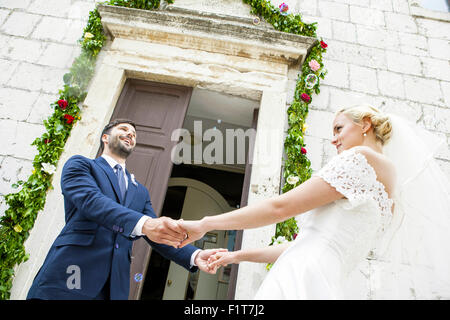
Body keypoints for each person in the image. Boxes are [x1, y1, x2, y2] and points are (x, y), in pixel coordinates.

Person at [179, 105, 450, 299]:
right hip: (324, 281)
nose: (333, 139)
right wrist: (237, 255)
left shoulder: (360, 159)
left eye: (339, 128)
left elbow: (279, 208)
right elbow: (307, 245)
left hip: (302, 274)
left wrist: (205, 224)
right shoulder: (390, 193)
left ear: (365, 124)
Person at [27, 119, 224, 300]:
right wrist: (146, 224)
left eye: (134, 134)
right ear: (105, 137)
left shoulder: (141, 192)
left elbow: (155, 233)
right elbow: (91, 201)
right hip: (70, 275)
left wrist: (194, 255)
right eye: (123, 129)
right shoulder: (81, 165)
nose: (130, 134)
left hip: (114, 287)